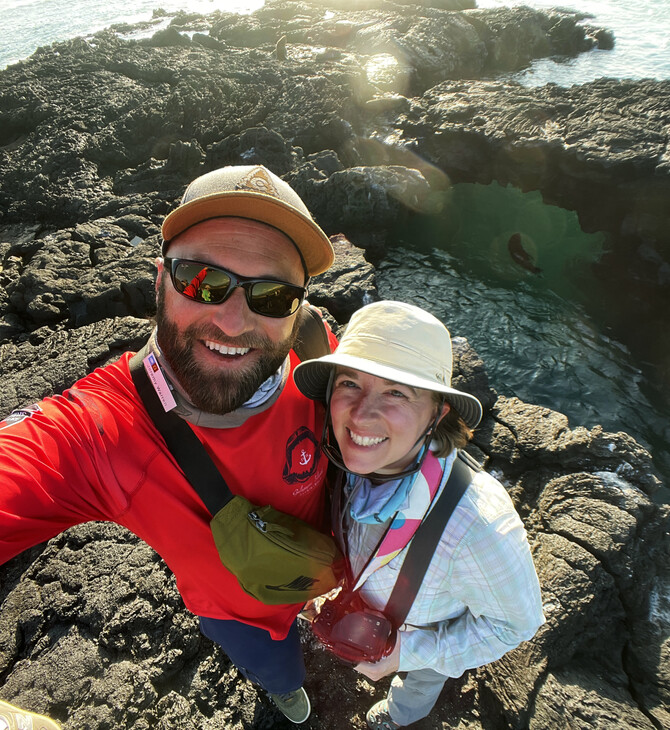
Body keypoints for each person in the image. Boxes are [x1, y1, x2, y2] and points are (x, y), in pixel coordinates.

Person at [0, 165, 339, 725]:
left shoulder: (314, 348)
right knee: (281, 674)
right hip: (246, 618)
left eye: (272, 295)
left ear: (296, 310)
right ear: (159, 282)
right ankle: (283, 690)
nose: (233, 320)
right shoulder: (103, 431)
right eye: (203, 280)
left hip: (333, 563)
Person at [293, 300, 545, 729]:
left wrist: (407, 653)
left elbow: (514, 625)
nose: (360, 415)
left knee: (419, 684)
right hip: (366, 604)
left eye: (396, 391)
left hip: (429, 634)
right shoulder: (347, 463)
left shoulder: (478, 525)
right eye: (350, 383)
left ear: (437, 413)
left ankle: (401, 717)